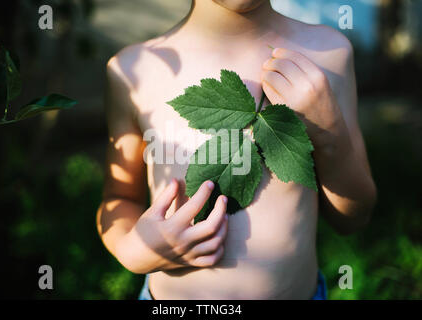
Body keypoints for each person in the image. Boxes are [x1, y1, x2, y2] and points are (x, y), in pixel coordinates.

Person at [96, 0, 377, 299]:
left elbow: (353, 218)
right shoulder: (133, 71)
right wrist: (131, 249)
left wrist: (328, 131)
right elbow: (119, 198)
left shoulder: (329, 54)